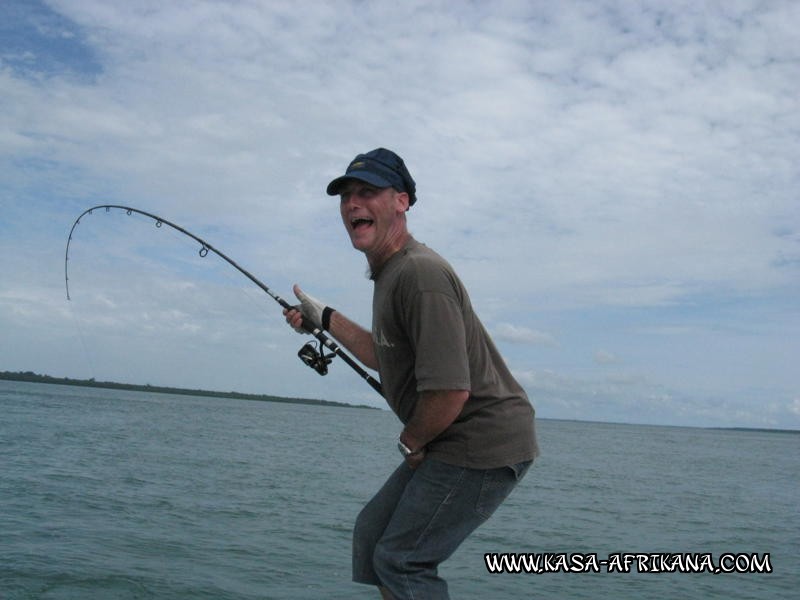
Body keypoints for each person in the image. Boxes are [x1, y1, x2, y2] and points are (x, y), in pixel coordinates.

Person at [284, 148, 538, 600]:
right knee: (373, 534)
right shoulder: (389, 274)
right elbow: (385, 356)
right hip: (450, 435)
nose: (352, 204)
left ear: (401, 201)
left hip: (481, 441)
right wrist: (323, 317)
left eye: (367, 192)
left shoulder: (420, 274)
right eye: (345, 196)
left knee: (402, 560)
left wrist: (411, 441)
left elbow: (450, 392)